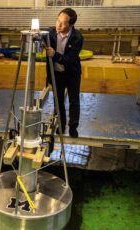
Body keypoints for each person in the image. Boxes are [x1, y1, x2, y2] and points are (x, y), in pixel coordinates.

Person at [45, 8, 83, 138]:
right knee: (58, 101)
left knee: (74, 101)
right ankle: (61, 126)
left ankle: (73, 127)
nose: (58, 25)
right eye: (58, 20)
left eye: (63, 23)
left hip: (72, 74)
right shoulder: (50, 33)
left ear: (71, 25)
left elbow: (70, 60)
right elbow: (37, 37)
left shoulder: (77, 37)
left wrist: (55, 55)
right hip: (56, 74)